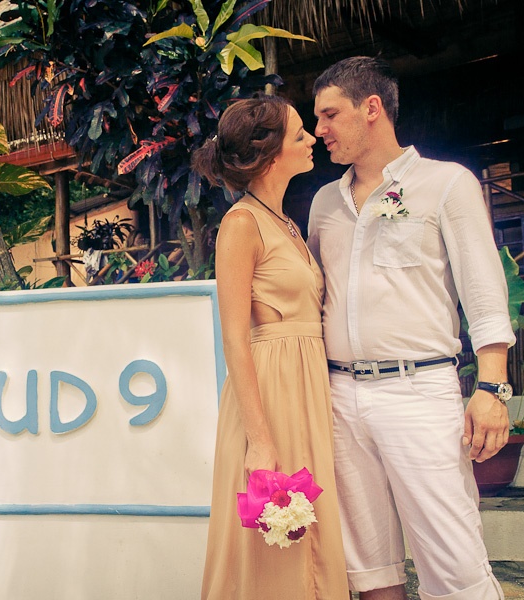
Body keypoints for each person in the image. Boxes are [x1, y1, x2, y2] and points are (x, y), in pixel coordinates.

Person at [307, 56, 516, 600]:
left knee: (453, 558)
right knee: (368, 567)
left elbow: (484, 291)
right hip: (339, 396)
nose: (319, 129)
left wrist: (492, 387)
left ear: (371, 108)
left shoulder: (446, 184)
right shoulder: (324, 202)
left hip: (419, 390)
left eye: (330, 114)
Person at [193, 94, 349, 599]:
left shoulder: (286, 223)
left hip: (306, 387)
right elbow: (234, 337)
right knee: (272, 540)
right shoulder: (241, 224)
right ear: (270, 154)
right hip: (270, 392)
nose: (312, 139)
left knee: (310, 529)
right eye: (299, 134)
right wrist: (259, 439)